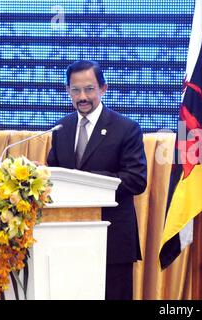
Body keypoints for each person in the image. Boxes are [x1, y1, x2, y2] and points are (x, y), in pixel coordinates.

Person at [47, 60, 147, 300]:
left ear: (103, 89)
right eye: (75, 90)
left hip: (112, 241)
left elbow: (136, 179)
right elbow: (56, 175)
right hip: (66, 240)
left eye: (89, 89)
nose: (82, 96)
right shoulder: (62, 128)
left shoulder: (126, 128)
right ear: (67, 91)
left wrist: (87, 183)